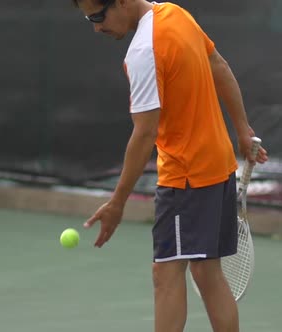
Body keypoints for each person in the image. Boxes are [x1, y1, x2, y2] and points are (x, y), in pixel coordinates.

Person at [71, 1, 268, 331]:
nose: (96, 27)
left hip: (186, 178)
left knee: (166, 274)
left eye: (98, 17)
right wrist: (242, 130)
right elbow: (217, 64)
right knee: (207, 273)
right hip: (218, 164)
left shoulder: (143, 52)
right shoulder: (175, 14)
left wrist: (117, 203)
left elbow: (145, 132)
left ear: (119, 2)